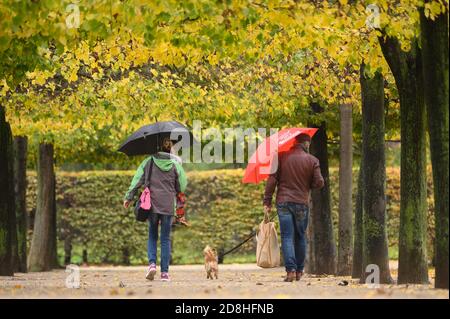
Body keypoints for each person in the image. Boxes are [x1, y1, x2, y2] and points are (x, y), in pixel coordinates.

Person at [123, 136, 187, 282]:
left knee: (152, 236)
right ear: (170, 148)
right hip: (168, 206)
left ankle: (152, 264)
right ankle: (164, 273)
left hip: (151, 205)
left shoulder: (148, 162)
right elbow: (182, 186)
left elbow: (136, 181)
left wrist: (129, 197)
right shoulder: (175, 165)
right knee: (165, 239)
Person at [263, 133, 324, 282]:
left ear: (295, 142)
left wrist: (267, 201)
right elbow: (320, 182)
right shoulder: (313, 160)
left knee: (287, 236)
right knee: (300, 236)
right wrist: (308, 184)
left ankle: (290, 270)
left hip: (283, 202)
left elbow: (271, 180)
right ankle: (299, 271)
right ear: (307, 144)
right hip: (302, 203)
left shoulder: (281, 156)